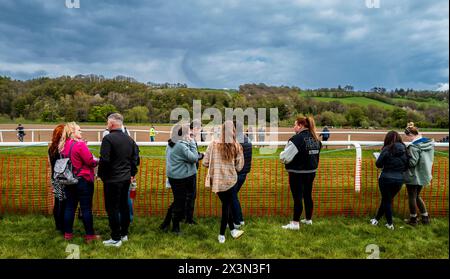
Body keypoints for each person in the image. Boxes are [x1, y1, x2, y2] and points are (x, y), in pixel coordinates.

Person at [98, 113, 140, 247]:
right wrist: (132, 173)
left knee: (112, 208)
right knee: (124, 207)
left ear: (111, 124)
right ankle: (124, 234)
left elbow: (104, 160)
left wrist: (101, 175)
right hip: (125, 179)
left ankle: (115, 238)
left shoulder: (108, 139)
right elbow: (135, 159)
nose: (107, 125)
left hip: (112, 180)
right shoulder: (130, 139)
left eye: (107, 123)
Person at [203, 120, 244, 243]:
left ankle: (232, 230)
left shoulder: (212, 144)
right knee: (227, 206)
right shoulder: (236, 145)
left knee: (226, 205)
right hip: (230, 180)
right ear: (233, 131)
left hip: (216, 181)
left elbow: (205, 162)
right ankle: (221, 234)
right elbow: (239, 167)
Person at [58, 122, 101, 242]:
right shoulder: (80, 145)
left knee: (70, 207)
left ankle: (68, 234)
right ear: (72, 133)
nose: (81, 132)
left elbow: (73, 157)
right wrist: (97, 160)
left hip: (69, 180)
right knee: (86, 208)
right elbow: (90, 162)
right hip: (83, 180)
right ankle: (90, 236)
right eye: (79, 130)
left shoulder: (64, 145)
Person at [280, 116, 322, 230]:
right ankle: (308, 220)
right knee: (307, 195)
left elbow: (285, 157)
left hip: (297, 173)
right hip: (311, 172)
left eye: (295, 124)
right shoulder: (316, 138)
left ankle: (295, 223)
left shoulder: (297, 139)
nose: (294, 127)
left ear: (301, 126)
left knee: (297, 198)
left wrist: (282, 156)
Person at [159, 123, 199, 234]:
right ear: (185, 134)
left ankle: (165, 223)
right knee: (179, 203)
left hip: (175, 176)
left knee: (177, 201)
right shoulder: (181, 145)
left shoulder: (171, 143)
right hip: (181, 177)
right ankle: (175, 228)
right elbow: (194, 158)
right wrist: (192, 143)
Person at [370, 131, 408, 230]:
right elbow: (406, 166)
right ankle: (376, 220)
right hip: (399, 179)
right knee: (386, 200)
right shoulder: (405, 149)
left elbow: (378, 164)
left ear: (388, 139)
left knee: (387, 201)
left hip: (386, 178)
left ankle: (390, 224)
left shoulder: (387, 149)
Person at [403, 122, 434, 225]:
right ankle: (425, 218)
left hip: (413, 175)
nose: (407, 139)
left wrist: (404, 158)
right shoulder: (428, 143)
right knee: (417, 196)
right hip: (424, 174)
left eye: (407, 137)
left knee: (412, 196)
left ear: (411, 135)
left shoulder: (413, 146)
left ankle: (413, 220)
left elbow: (412, 163)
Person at [231, 121, 252, 228]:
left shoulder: (236, 142)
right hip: (244, 173)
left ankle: (238, 220)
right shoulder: (247, 139)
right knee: (232, 196)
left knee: (232, 197)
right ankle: (235, 219)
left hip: (236, 173)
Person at [184, 121, 204, 224]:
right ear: (195, 128)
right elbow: (192, 156)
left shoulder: (188, 136)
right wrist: (201, 156)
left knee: (186, 195)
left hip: (186, 171)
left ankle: (184, 216)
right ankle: (188, 219)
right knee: (191, 195)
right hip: (189, 171)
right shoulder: (190, 138)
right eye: (199, 129)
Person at [48, 124, 66, 234]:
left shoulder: (52, 148)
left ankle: (58, 226)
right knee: (63, 203)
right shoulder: (61, 148)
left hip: (55, 177)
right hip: (63, 178)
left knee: (58, 202)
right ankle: (62, 226)